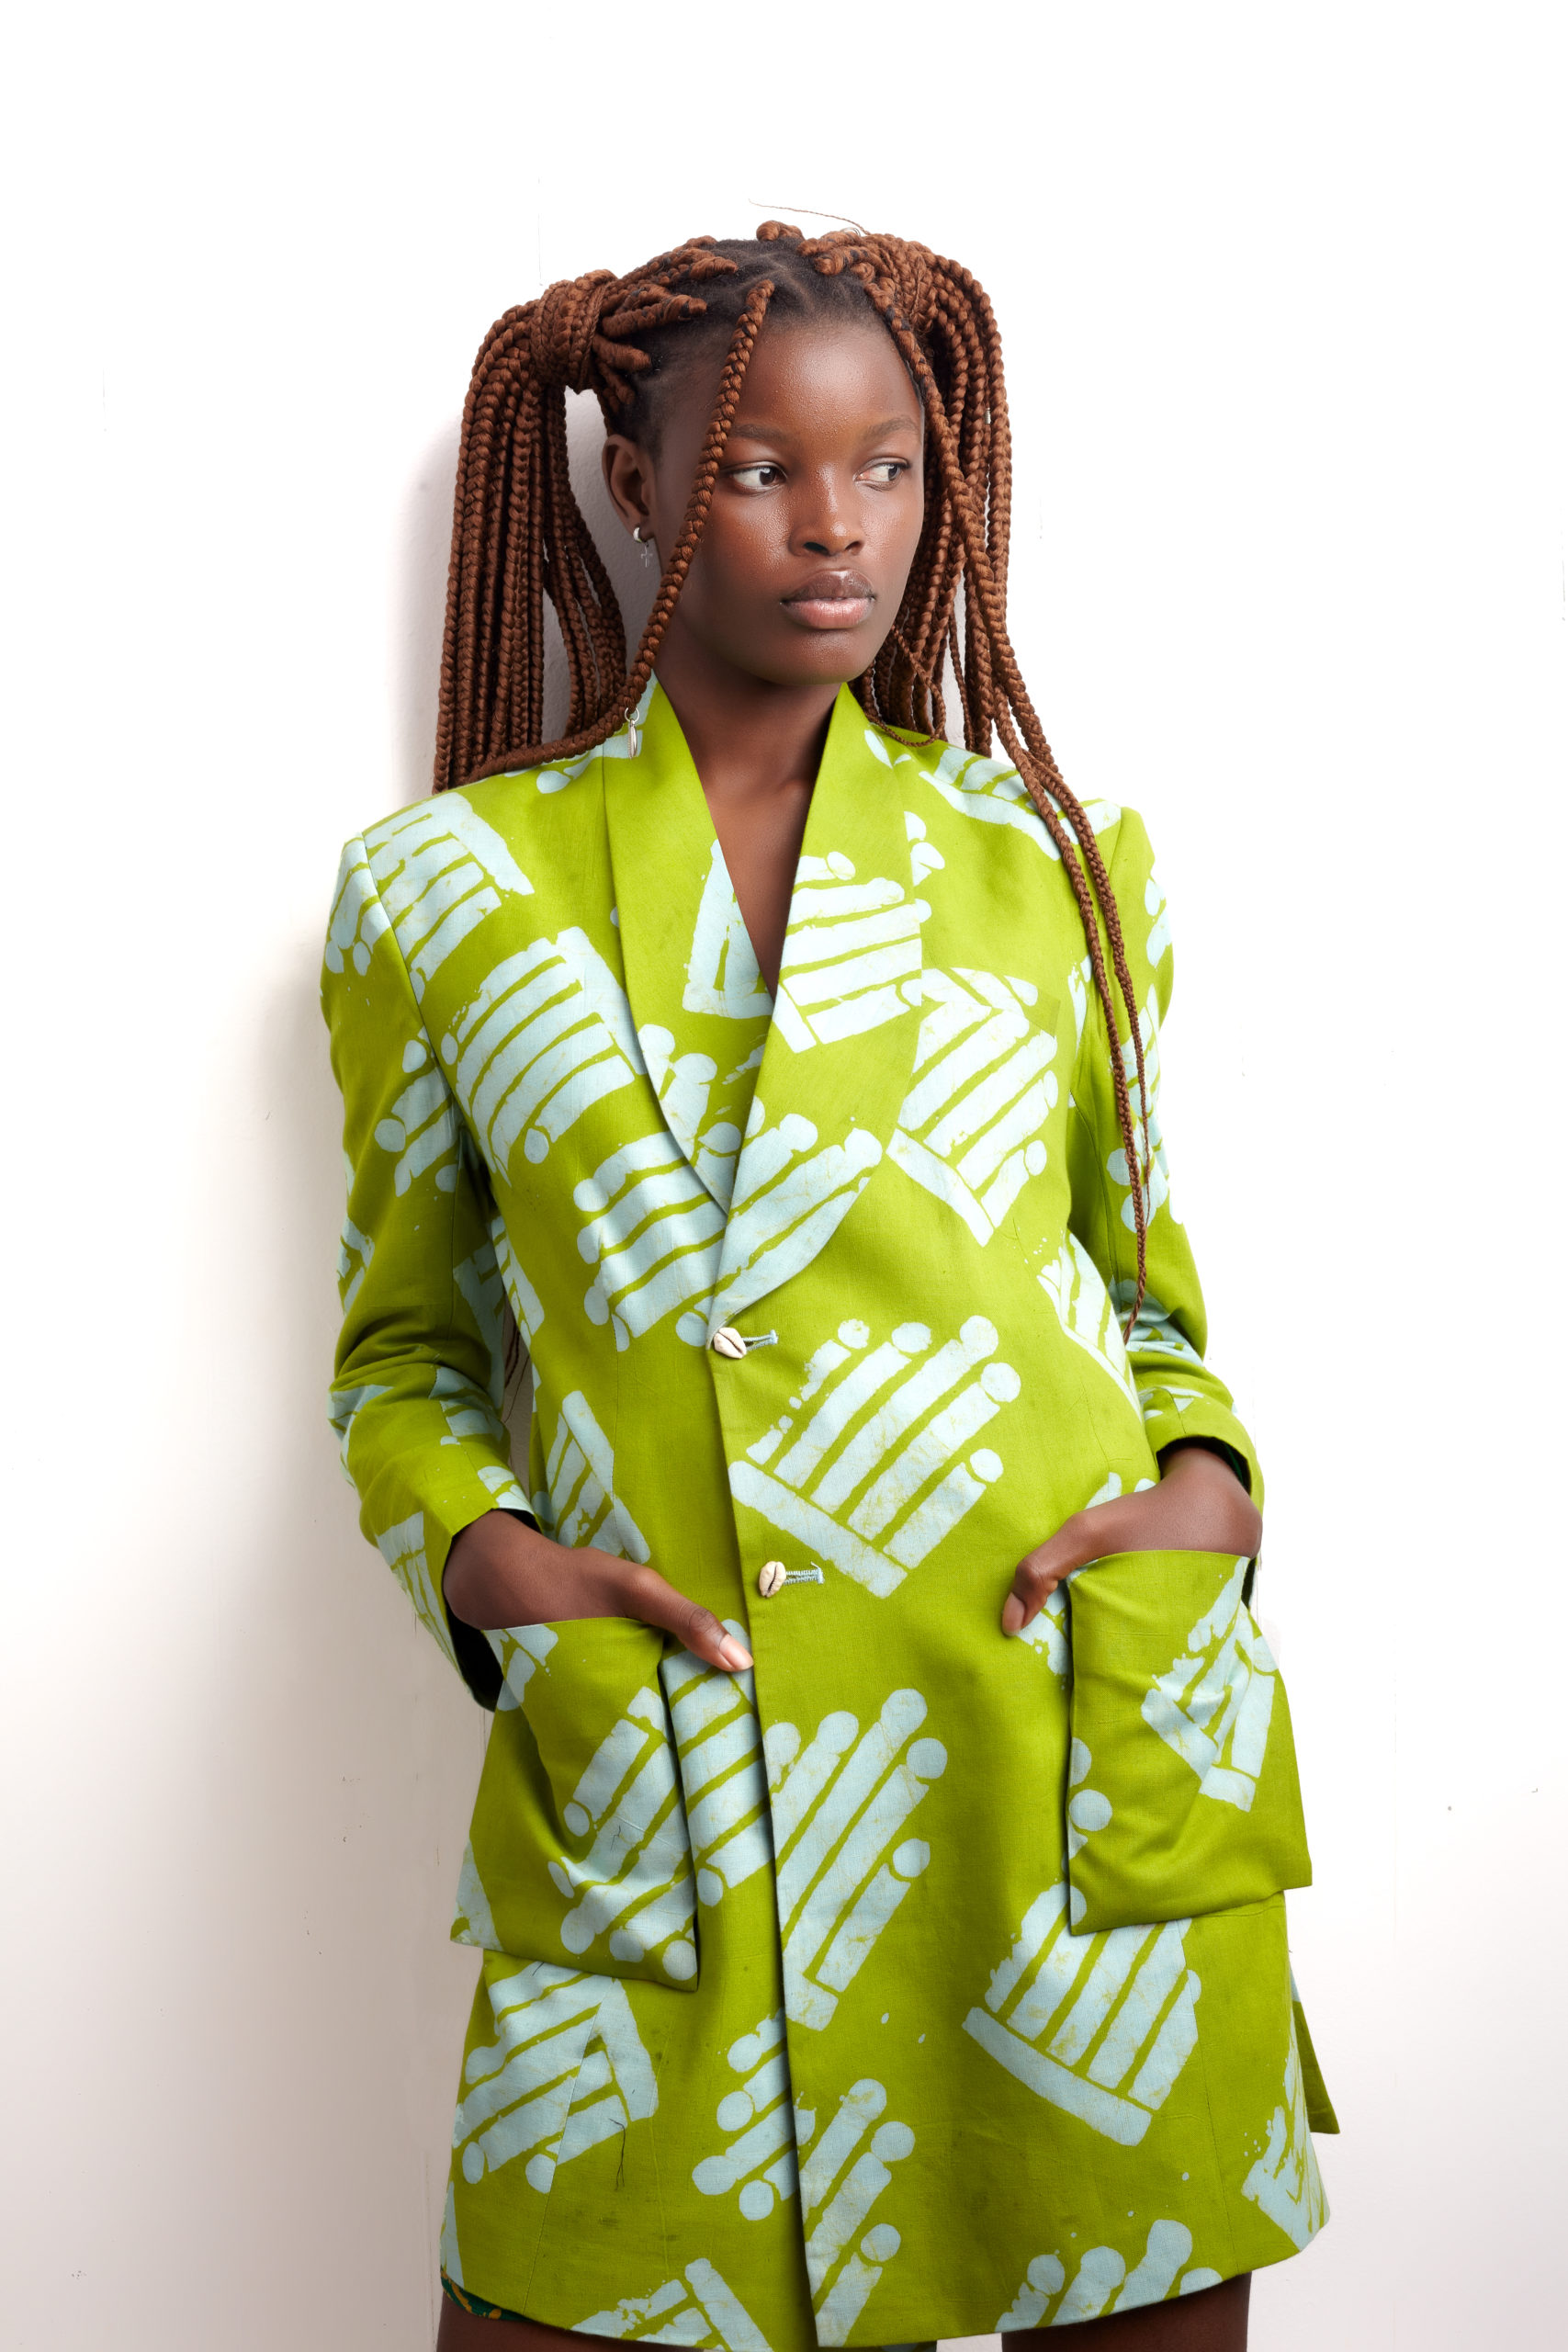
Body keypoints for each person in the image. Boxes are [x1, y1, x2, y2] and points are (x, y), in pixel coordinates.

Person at [322, 224, 1336, 2352]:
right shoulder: (448, 891)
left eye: (886, 467)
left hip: (1053, 1760)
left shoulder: (1059, 862)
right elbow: (404, 1349)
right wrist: (490, 1559)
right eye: (762, 467)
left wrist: (1204, 1492)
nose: (835, 524)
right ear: (632, 489)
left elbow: (1147, 1298)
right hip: (674, 1785)